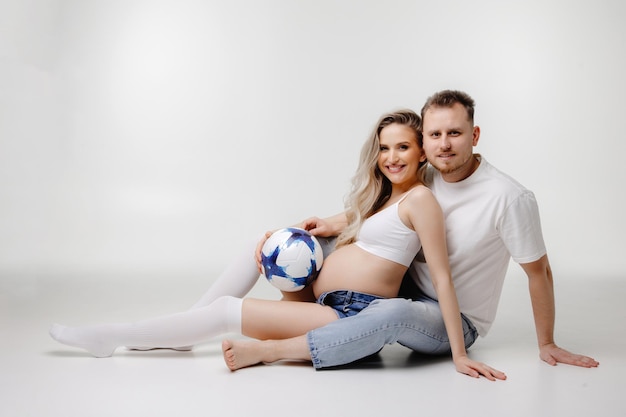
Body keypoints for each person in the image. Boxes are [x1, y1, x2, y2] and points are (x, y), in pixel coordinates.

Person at [49, 110, 503, 379]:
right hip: (323, 295)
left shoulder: (422, 199)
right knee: (261, 240)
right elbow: (362, 219)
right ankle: (185, 331)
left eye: (403, 147)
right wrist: (310, 228)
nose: (391, 158)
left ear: (422, 149)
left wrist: (459, 354)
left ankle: (115, 336)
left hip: (349, 311)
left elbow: (441, 276)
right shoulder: (386, 197)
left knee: (227, 311)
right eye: (384, 149)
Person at [220, 90, 599, 374]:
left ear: (475, 134)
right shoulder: (429, 172)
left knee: (392, 312)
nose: (444, 144)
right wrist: (332, 225)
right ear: (424, 143)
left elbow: (539, 272)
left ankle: (272, 350)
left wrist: (545, 342)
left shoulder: (508, 197)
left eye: (455, 133)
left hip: (453, 320)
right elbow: (383, 214)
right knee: (317, 245)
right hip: (407, 288)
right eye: (435, 135)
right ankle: (297, 318)